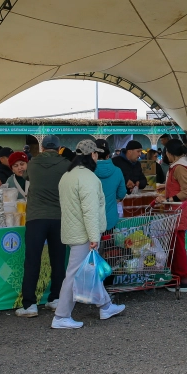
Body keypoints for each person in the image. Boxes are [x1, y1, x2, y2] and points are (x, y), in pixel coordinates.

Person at [51, 140, 125, 329]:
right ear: (92, 156)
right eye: (96, 155)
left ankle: (106, 306)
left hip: (72, 231)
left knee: (90, 272)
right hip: (84, 235)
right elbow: (90, 211)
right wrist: (94, 237)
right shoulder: (89, 178)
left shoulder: (67, 176)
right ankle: (61, 316)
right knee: (74, 274)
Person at [19, 137, 70, 317]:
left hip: (35, 218)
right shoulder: (66, 164)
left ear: (41, 147)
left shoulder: (32, 164)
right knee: (58, 260)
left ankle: (29, 305)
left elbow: (25, 177)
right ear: (58, 148)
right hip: (58, 217)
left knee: (32, 260)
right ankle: (55, 299)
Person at [161, 140, 187, 293]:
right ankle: (177, 277)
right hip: (180, 211)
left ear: (170, 153)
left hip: (179, 211)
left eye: (166, 152)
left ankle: (182, 279)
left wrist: (169, 200)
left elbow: (186, 190)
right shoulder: (183, 166)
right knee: (175, 245)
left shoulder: (179, 168)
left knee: (177, 247)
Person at [93, 139, 127, 233]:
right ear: (108, 155)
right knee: (109, 246)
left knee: (93, 247)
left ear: (93, 154)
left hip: (91, 221)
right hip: (110, 219)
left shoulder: (87, 172)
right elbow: (121, 194)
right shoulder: (117, 171)